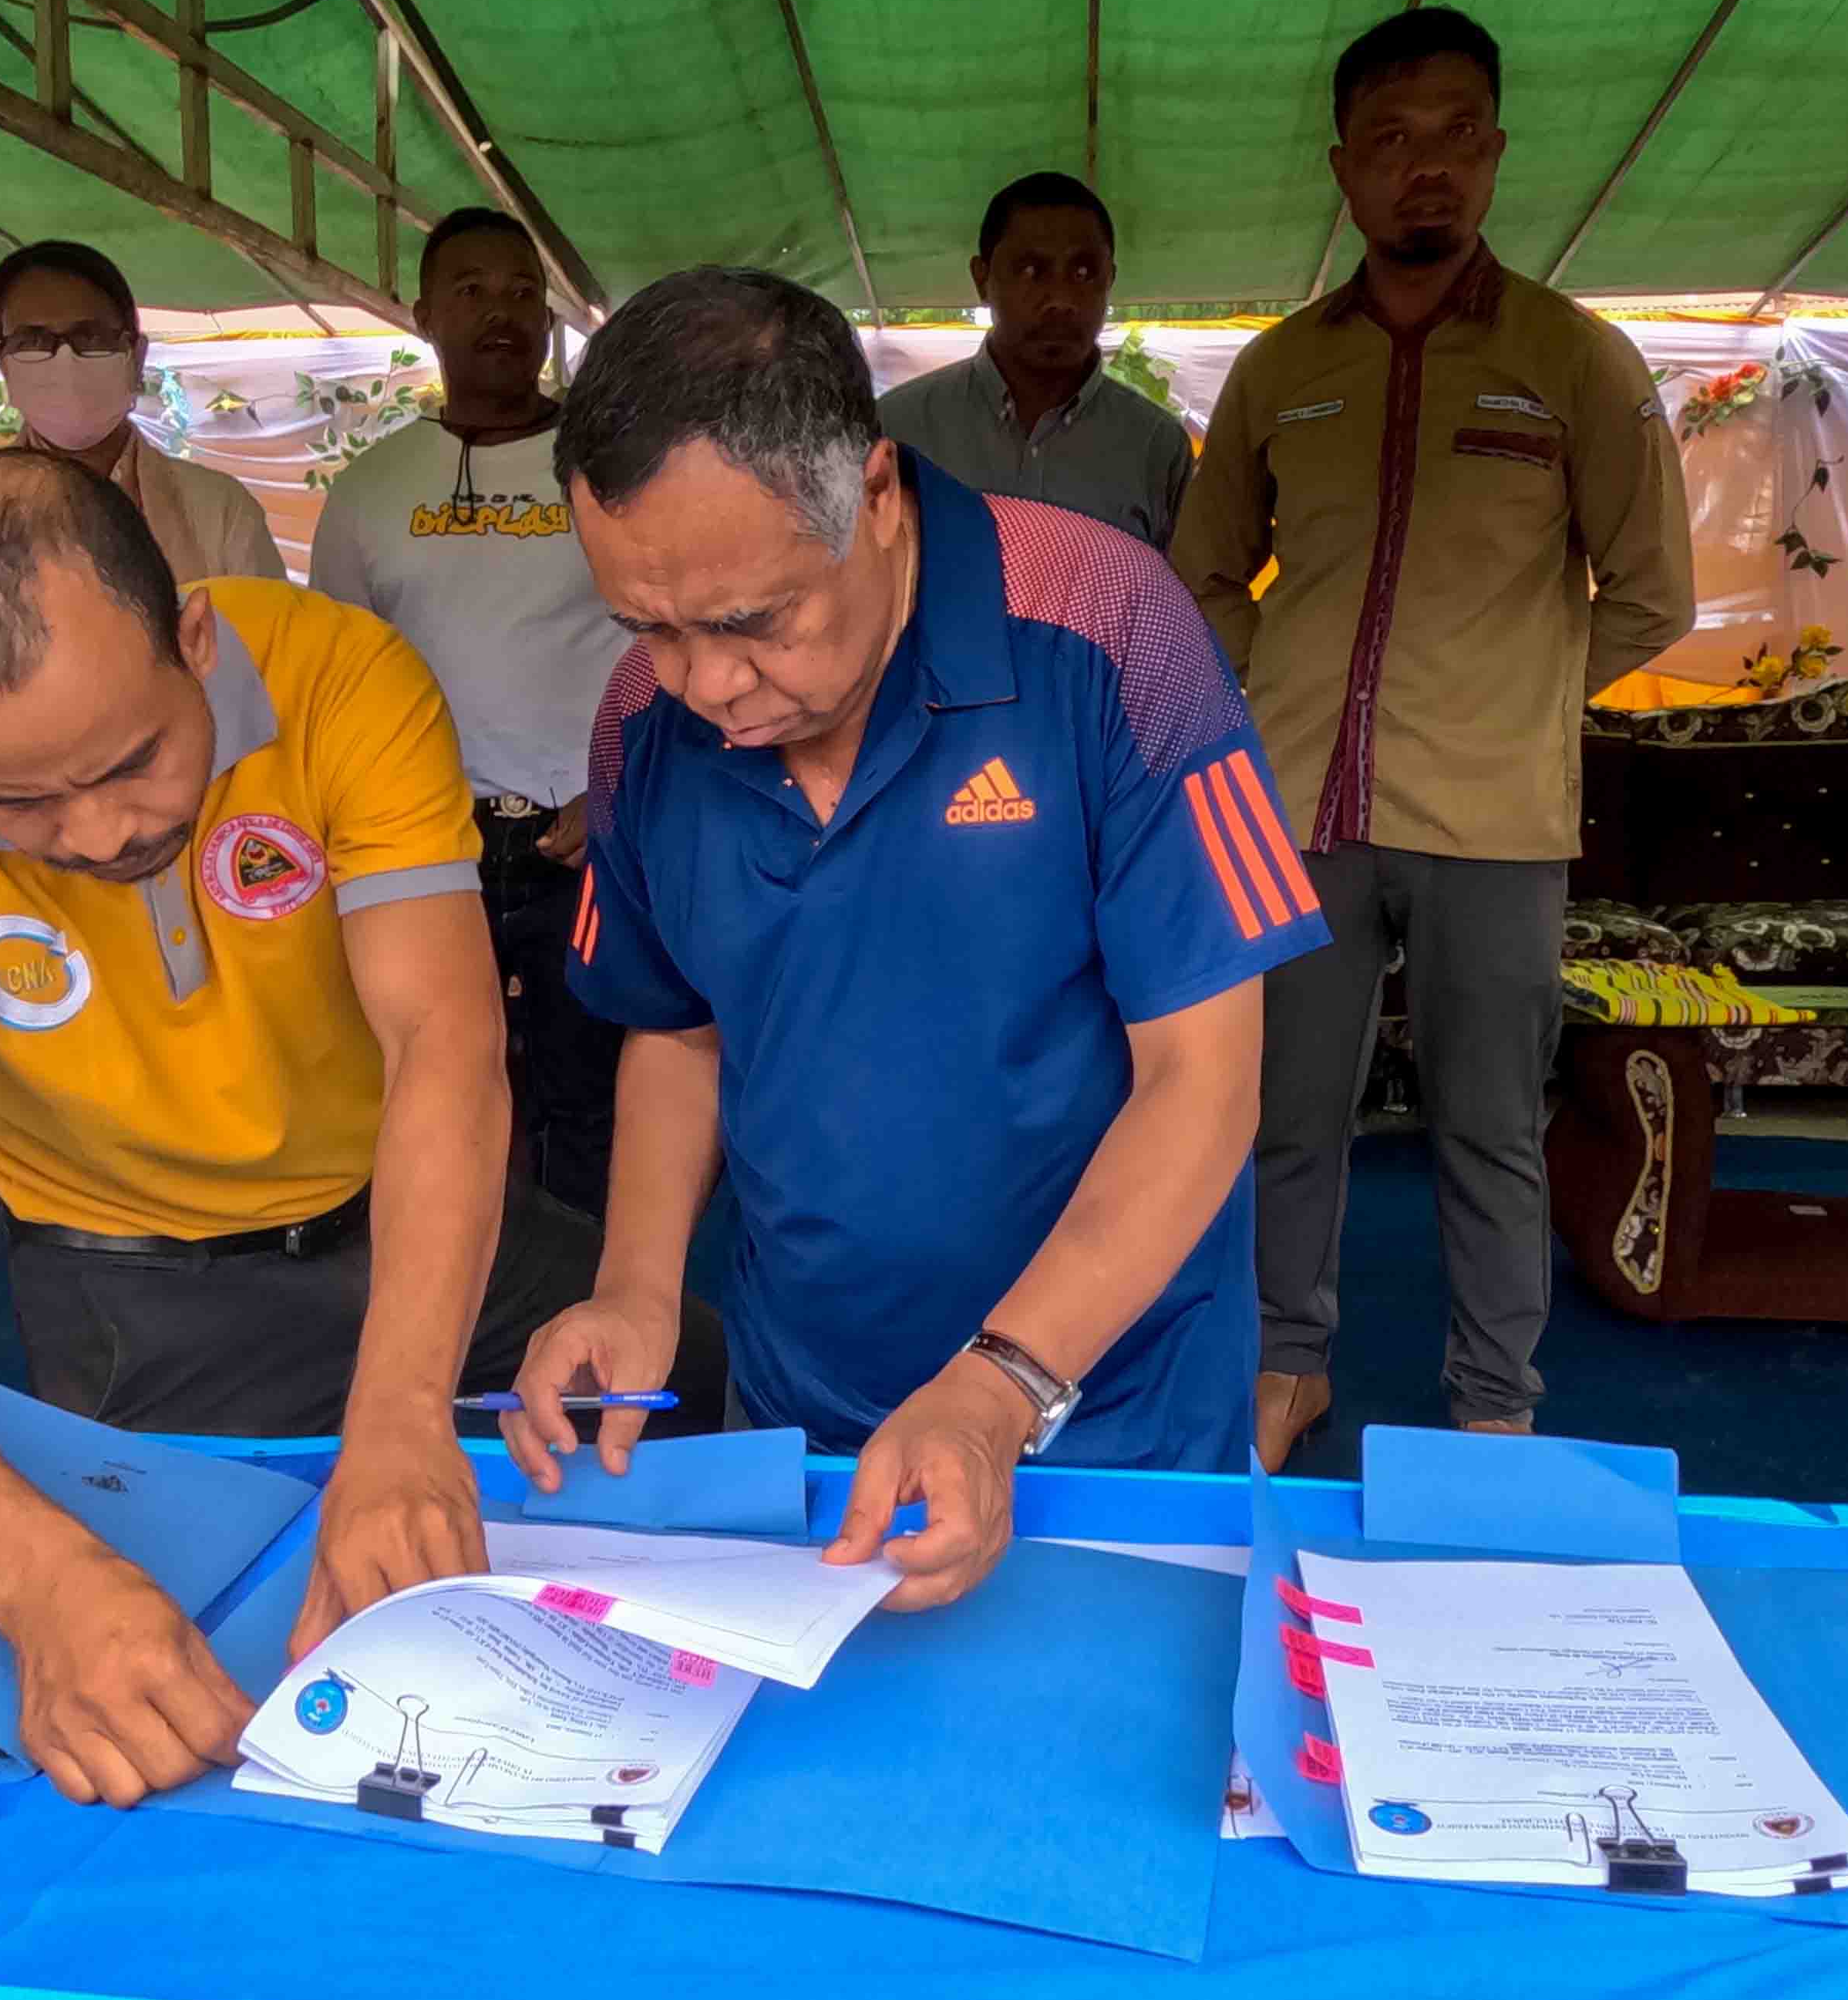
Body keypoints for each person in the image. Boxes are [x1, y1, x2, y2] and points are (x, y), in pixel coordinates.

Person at [0, 449, 720, 1802]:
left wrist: (397, 1416)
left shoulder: (337, 678)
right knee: (156, 1681)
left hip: (404, 1210)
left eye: (132, 759)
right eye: (13, 801)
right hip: (127, 1285)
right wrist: (37, 1581)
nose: (94, 831)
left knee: (664, 1387)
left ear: (194, 639)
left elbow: (444, 1042)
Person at [505, 270, 1328, 1603]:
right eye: (647, 626)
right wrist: (636, 1287)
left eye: (751, 622)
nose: (704, 685)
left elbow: (1205, 1077)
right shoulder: (639, 725)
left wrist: (1001, 1383)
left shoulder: (1109, 630)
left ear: (876, 497)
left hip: (1108, 1412)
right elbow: (679, 1025)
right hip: (807, 1418)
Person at [1174, 5, 1693, 1464]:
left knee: (1489, 1127)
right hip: (1289, 811)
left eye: (1457, 136)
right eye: (1392, 142)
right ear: (1343, 169)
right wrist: (1271, 678)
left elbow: (1651, 593)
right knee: (1280, 1115)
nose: (1427, 170)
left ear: (1495, 154)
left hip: (1493, 819)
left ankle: (1492, 1403)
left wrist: (1521, 688)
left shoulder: (1575, 359)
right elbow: (1205, 571)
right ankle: (1284, 1363)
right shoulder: (1280, 370)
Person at [308, 205, 635, 1214]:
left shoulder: (616, 467)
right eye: (472, 290)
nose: (503, 312)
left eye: (523, 293)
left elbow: (677, 645)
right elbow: (336, 678)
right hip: (426, 853)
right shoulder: (369, 492)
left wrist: (617, 791)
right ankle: (461, 1298)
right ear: (422, 315)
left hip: (587, 840)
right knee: (437, 1086)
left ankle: (586, 1309)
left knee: (593, 1100)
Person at [873, 172, 1195, 544]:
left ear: (1110, 280)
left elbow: (1182, 596)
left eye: (1084, 272)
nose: (1060, 298)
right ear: (982, 278)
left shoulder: (1157, 449)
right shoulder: (898, 431)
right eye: (1030, 271)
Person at [0, 239, 284, 587]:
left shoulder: (220, 513)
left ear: (136, 357)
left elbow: (268, 637)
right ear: (2, 363)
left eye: (90, 337)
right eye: (32, 341)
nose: (65, 360)